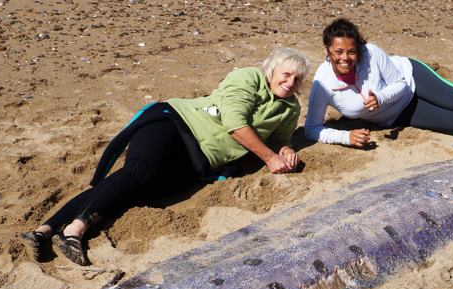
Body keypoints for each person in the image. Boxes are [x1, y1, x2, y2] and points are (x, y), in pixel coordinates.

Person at [20, 48, 311, 266]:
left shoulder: (290, 109)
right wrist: (270, 158)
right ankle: (75, 230)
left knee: (135, 187)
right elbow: (235, 123)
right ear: (271, 70)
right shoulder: (248, 77)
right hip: (177, 123)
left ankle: (42, 232)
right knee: (141, 170)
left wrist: (285, 152)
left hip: (200, 159)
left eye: (297, 79)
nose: (290, 82)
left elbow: (279, 141)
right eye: (285, 73)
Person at [305, 18, 453, 147]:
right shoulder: (322, 84)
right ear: (326, 50)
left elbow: (401, 83)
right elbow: (311, 129)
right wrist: (346, 137)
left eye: (352, 51)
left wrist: (380, 98)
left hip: (411, 78)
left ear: (359, 49)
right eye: (338, 51)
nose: (346, 58)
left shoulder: (371, 53)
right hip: (396, 115)